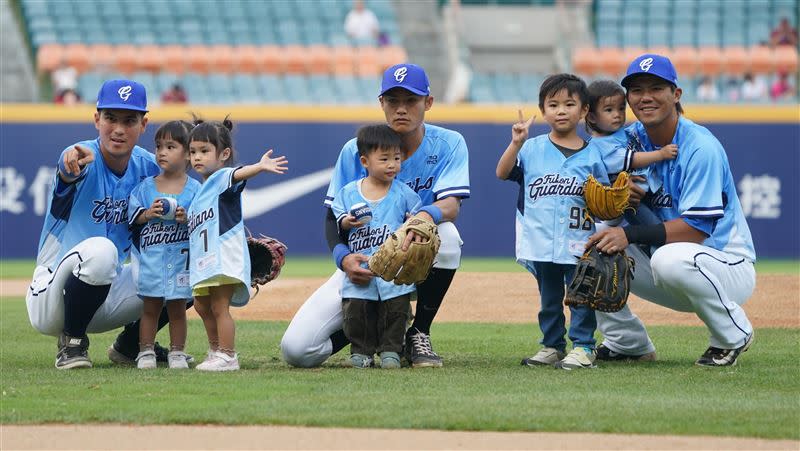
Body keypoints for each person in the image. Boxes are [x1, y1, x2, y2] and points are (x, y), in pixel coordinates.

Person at [280, 63, 470, 369]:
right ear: (381, 103)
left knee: (447, 237)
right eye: (393, 101)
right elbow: (333, 217)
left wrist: (420, 218)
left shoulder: (449, 144)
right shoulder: (355, 150)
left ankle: (418, 332)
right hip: (363, 262)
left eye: (411, 101)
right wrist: (343, 258)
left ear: (428, 103)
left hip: (413, 254)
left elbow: (451, 205)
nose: (401, 109)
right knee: (297, 350)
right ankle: (369, 329)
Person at [588, 54, 756, 367]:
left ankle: (732, 335)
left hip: (723, 264)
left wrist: (629, 232)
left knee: (670, 256)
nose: (645, 97)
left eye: (656, 88)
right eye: (637, 90)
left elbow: (695, 230)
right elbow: (598, 186)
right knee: (582, 244)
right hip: (664, 262)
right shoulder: (626, 140)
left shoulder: (699, 147)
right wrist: (617, 196)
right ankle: (627, 343)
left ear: (676, 94)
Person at [26, 79, 158, 369]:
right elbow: (67, 168)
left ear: (144, 124)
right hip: (53, 295)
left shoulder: (149, 167)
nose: (119, 129)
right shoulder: (81, 156)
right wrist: (70, 166)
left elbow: (189, 195)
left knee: (182, 261)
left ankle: (133, 343)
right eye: (111, 118)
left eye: (129, 120)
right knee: (103, 250)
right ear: (97, 119)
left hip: (107, 294)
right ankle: (71, 342)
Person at [496, 74, 607, 370]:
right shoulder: (531, 149)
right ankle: (552, 346)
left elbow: (606, 201)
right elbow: (502, 172)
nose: (561, 110)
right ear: (543, 111)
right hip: (541, 238)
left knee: (581, 296)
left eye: (569, 104)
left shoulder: (594, 154)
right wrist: (516, 143)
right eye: (553, 104)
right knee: (549, 300)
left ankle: (583, 347)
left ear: (584, 111)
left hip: (580, 241)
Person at [187, 117, 288, 371]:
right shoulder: (201, 190)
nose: (197, 157)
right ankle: (215, 350)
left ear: (224, 155)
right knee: (201, 305)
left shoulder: (221, 177)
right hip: (205, 260)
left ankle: (228, 355)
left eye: (204, 151)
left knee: (220, 306)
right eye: (192, 152)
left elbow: (237, 174)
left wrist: (259, 166)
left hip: (223, 257)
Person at [331, 124, 421, 369]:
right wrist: (347, 222)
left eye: (396, 157)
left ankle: (391, 349)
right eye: (384, 158)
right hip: (361, 263)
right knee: (357, 312)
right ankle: (361, 350)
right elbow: (337, 218)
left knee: (396, 310)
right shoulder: (349, 193)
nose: (392, 164)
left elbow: (416, 217)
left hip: (394, 266)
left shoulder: (404, 193)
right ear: (365, 161)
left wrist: (412, 223)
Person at [127, 120, 200, 369]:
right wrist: (148, 213)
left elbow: (204, 222)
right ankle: (145, 351)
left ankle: (177, 352)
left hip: (180, 261)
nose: (162, 152)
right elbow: (133, 215)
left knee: (177, 309)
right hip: (153, 260)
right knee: (150, 308)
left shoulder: (195, 190)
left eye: (170, 146)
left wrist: (188, 217)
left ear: (189, 154)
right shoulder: (145, 187)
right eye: (159, 146)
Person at [584, 79, 678, 227]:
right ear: (592, 117)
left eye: (621, 108)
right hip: (627, 201)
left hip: (643, 192)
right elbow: (631, 159)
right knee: (655, 230)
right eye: (609, 110)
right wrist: (661, 154)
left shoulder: (619, 132)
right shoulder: (598, 145)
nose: (617, 115)